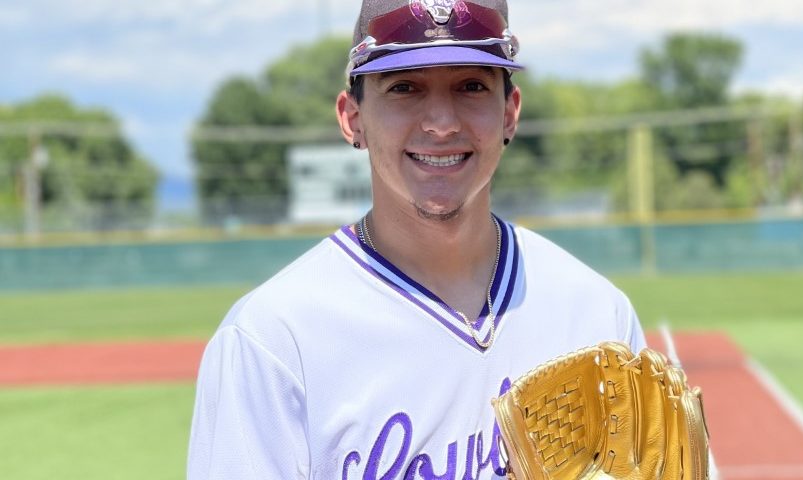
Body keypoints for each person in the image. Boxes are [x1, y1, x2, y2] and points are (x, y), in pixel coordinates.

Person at [187, 1, 645, 478]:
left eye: (471, 86)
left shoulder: (596, 314)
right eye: (404, 87)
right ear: (352, 117)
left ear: (510, 112)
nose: (441, 123)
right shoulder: (274, 340)